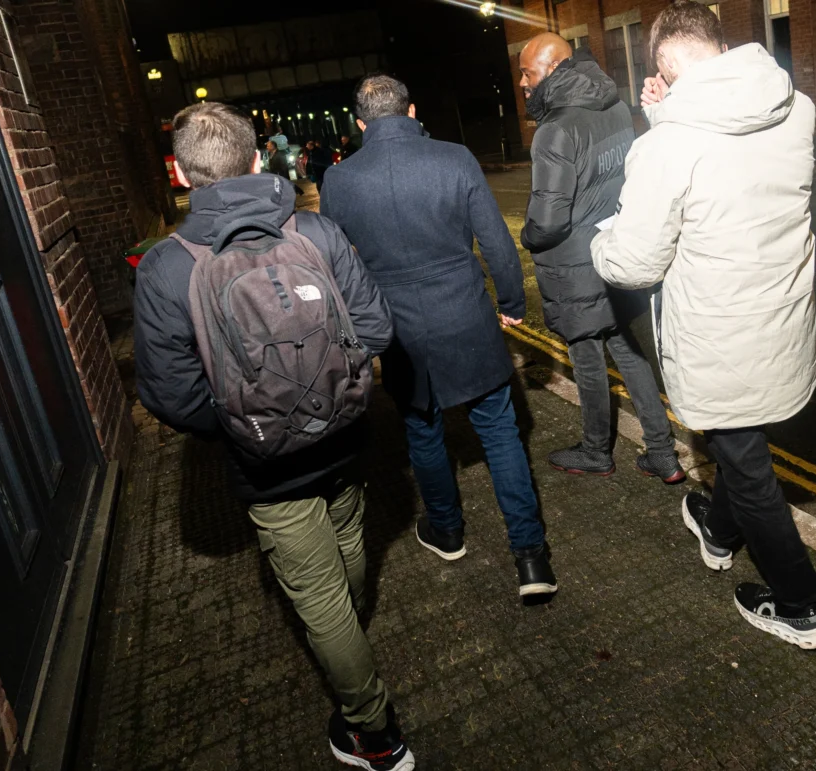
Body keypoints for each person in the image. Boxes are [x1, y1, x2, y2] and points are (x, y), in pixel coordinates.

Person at [133, 102, 416, 770]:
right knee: (348, 550)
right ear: (258, 159)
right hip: (347, 434)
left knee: (317, 595)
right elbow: (376, 330)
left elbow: (171, 395)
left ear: (181, 173)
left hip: (266, 465)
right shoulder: (314, 231)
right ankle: (349, 645)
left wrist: (243, 417)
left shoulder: (166, 269)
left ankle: (374, 731)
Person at [591, 1, 816, 650]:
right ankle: (718, 531)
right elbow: (724, 157)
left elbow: (636, 262)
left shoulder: (665, 146)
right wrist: (671, 110)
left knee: (749, 470)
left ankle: (802, 605)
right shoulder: (795, 108)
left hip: (720, 337)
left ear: (662, 66)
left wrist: (602, 238)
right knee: (739, 445)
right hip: (780, 320)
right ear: (721, 49)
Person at [321, 75, 557, 599]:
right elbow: (496, 239)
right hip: (466, 318)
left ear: (360, 124)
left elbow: (337, 272)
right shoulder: (453, 159)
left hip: (399, 330)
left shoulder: (339, 182)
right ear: (411, 112)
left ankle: (447, 531)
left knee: (423, 431)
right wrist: (513, 304)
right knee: (500, 432)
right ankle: (531, 558)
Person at [518, 33, 684, 484]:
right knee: (629, 354)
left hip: (575, 266)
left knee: (587, 359)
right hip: (616, 249)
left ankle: (595, 451)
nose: (521, 82)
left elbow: (548, 221)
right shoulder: (612, 106)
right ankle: (663, 454)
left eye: (528, 73)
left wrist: (527, 236)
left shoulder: (555, 130)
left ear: (553, 70)